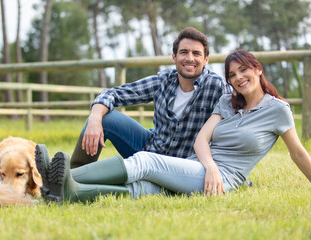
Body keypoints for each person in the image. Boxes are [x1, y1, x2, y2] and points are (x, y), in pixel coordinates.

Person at [35, 49, 311, 203]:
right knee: (144, 187)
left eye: (244, 70)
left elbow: (298, 153)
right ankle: (69, 192)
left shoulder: (277, 110)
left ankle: (63, 178)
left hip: (223, 180)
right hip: (200, 167)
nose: (238, 78)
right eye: (232, 74)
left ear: (258, 69)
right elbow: (201, 140)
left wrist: (217, 173)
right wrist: (211, 167)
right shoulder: (228, 102)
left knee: (146, 162)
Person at [70, 27, 231, 169]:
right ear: (174, 57)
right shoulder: (163, 81)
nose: (190, 58)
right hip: (149, 151)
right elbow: (113, 94)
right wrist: (94, 118)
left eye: (196, 53)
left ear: (206, 60)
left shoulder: (217, 87)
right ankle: (71, 175)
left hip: (184, 165)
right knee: (105, 118)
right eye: (184, 52)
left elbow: (236, 123)